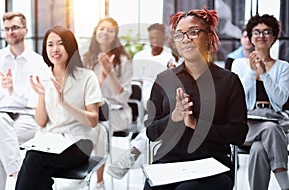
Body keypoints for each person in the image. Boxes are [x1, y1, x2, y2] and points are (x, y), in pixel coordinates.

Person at [144, 8, 248, 190]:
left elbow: (238, 134)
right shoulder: (164, 80)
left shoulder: (229, 81)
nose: (186, 39)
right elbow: (151, 132)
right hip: (169, 164)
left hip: (213, 165)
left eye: (193, 32)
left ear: (209, 37)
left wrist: (196, 125)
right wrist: (174, 117)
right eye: (179, 34)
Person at [15, 25, 103, 190]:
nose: (55, 49)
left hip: (80, 143)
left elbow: (93, 120)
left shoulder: (87, 77)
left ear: (70, 46)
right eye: (50, 44)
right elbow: (41, 122)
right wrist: (41, 95)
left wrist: (63, 102)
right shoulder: (43, 78)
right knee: (41, 172)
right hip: (50, 142)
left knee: (33, 159)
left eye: (60, 43)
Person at [106, 23, 177, 179]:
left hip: (164, 102)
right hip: (147, 101)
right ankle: (135, 154)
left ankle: (132, 153)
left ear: (164, 38)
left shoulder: (170, 57)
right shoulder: (140, 56)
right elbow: (136, 83)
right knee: (156, 118)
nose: (155, 41)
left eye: (158, 38)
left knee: (153, 120)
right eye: (152, 38)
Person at [0, 12, 49, 190]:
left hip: (27, 118)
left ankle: (15, 180)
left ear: (25, 29)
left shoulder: (38, 62)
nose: (10, 32)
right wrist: (3, 88)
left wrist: (12, 91)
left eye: (15, 27)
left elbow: (37, 100)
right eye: (6, 29)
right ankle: (17, 175)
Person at [231, 14, 289, 190]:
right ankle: (285, 185)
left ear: (273, 37)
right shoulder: (238, 64)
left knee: (259, 149)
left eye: (266, 32)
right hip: (247, 123)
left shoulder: (283, 67)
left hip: (275, 120)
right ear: (250, 37)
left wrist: (264, 74)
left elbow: (281, 100)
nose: (261, 36)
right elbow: (239, 99)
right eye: (256, 32)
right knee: (269, 130)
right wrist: (251, 71)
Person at [83, 17, 132, 189]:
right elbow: (83, 92)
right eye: (102, 28)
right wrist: (100, 78)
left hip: (116, 112)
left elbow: (124, 96)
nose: (105, 32)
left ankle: (99, 180)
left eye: (110, 30)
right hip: (92, 108)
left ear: (115, 36)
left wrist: (109, 74)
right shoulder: (85, 59)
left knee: (99, 131)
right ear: (96, 31)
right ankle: (81, 173)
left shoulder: (124, 60)